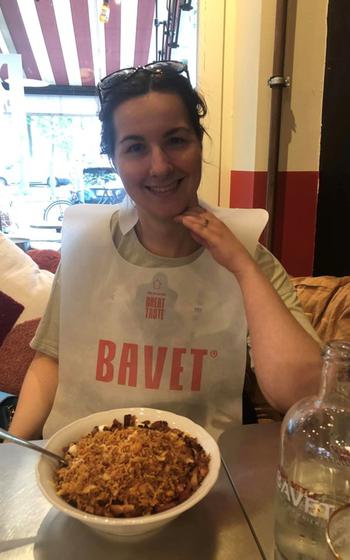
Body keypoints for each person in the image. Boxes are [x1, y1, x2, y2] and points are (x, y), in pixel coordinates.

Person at [9, 61, 322, 441]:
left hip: (199, 475)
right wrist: (13, 457)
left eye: (176, 140)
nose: (159, 167)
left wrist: (241, 266)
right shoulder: (86, 246)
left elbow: (302, 392)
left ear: (199, 143)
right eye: (136, 147)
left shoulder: (249, 257)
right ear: (114, 160)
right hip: (80, 466)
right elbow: (50, 363)